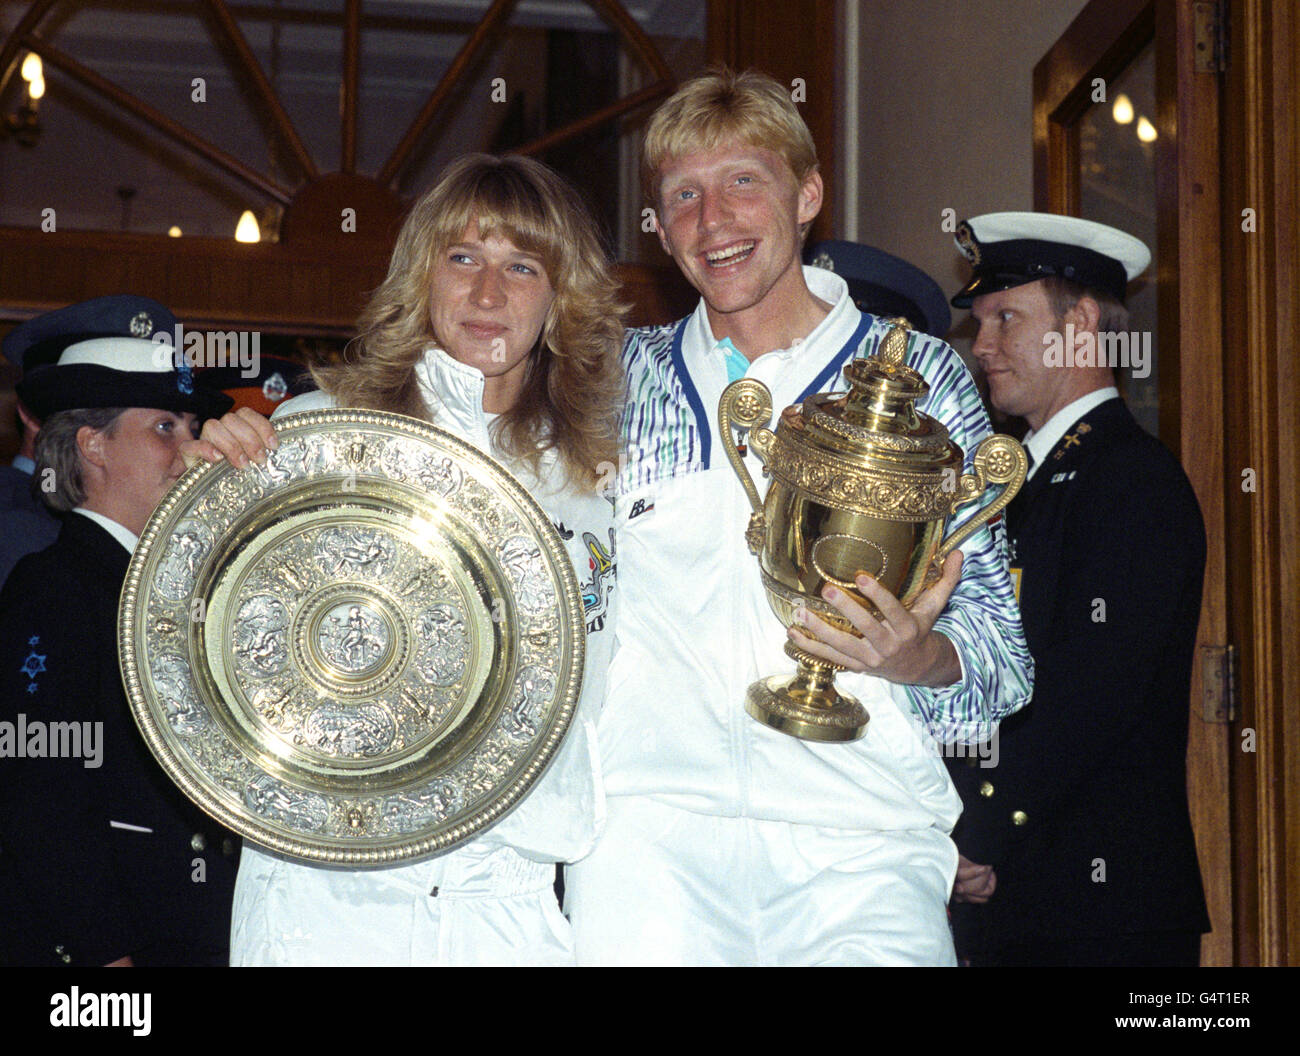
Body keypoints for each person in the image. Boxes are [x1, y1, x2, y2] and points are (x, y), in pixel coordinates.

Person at [563, 68, 1032, 966]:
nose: (714, 221)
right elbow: (458, 432)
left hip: (860, 846)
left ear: (808, 194)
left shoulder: (927, 380)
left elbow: (1002, 668)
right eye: (683, 197)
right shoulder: (611, 380)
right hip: (646, 848)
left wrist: (918, 657)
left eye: (744, 181)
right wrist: (262, 442)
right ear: (658, 229)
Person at [189, 153, 625, 966]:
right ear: (420, 277)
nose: (487, 295)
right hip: (328, 897)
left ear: (561, 299)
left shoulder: (594, 478)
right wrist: (206, 497)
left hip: (510, 902)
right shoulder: (318, 437)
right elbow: (198, 643)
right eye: (461, 259)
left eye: (521, 266)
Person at [944, 211, 1209, 966]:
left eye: (1005, 318)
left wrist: (982, 832)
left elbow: (1091, 688)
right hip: (1016, 901)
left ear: (1082, 324)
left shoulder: (1130, 478)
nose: (982, 344)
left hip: (1098, 907)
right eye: (981, 321)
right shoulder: (1011, 483)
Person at [0, 295, 239, 966]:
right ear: (92, 445)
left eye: (193, 425)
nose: (191, 449)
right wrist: (106, 955)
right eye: (165, 426)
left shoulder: (172, 582)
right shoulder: (53, 587)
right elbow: (39, 796)